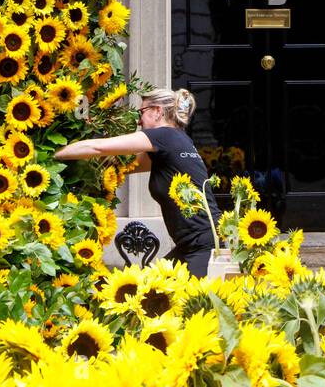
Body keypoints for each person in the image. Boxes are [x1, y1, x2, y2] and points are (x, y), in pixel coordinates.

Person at [54, 87, 216, 277]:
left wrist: (51, 156)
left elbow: (96, 148)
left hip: (203, 245)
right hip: (196, 241)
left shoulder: (164, 135)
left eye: (142, 112)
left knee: (175, 300)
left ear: (157, 111)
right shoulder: (179, 140)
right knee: (150, 293)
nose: (139, 120)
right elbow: (125, 166)